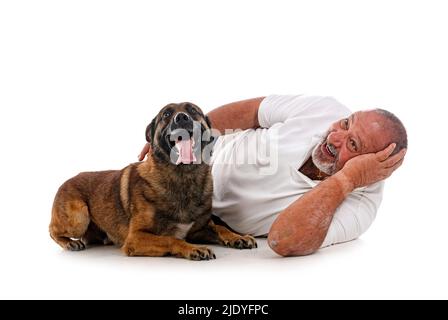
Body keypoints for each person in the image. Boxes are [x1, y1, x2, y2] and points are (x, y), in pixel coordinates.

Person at [138, 95, 407, 257]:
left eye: (353, 145)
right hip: (189, 167)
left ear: (372, 167)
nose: (335, 137)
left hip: (209, 225)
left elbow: (283, 240)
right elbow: (252, 110)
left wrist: (346, 180)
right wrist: (182, 137)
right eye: (346, 123)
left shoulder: (361, 207)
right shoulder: (324, 109)